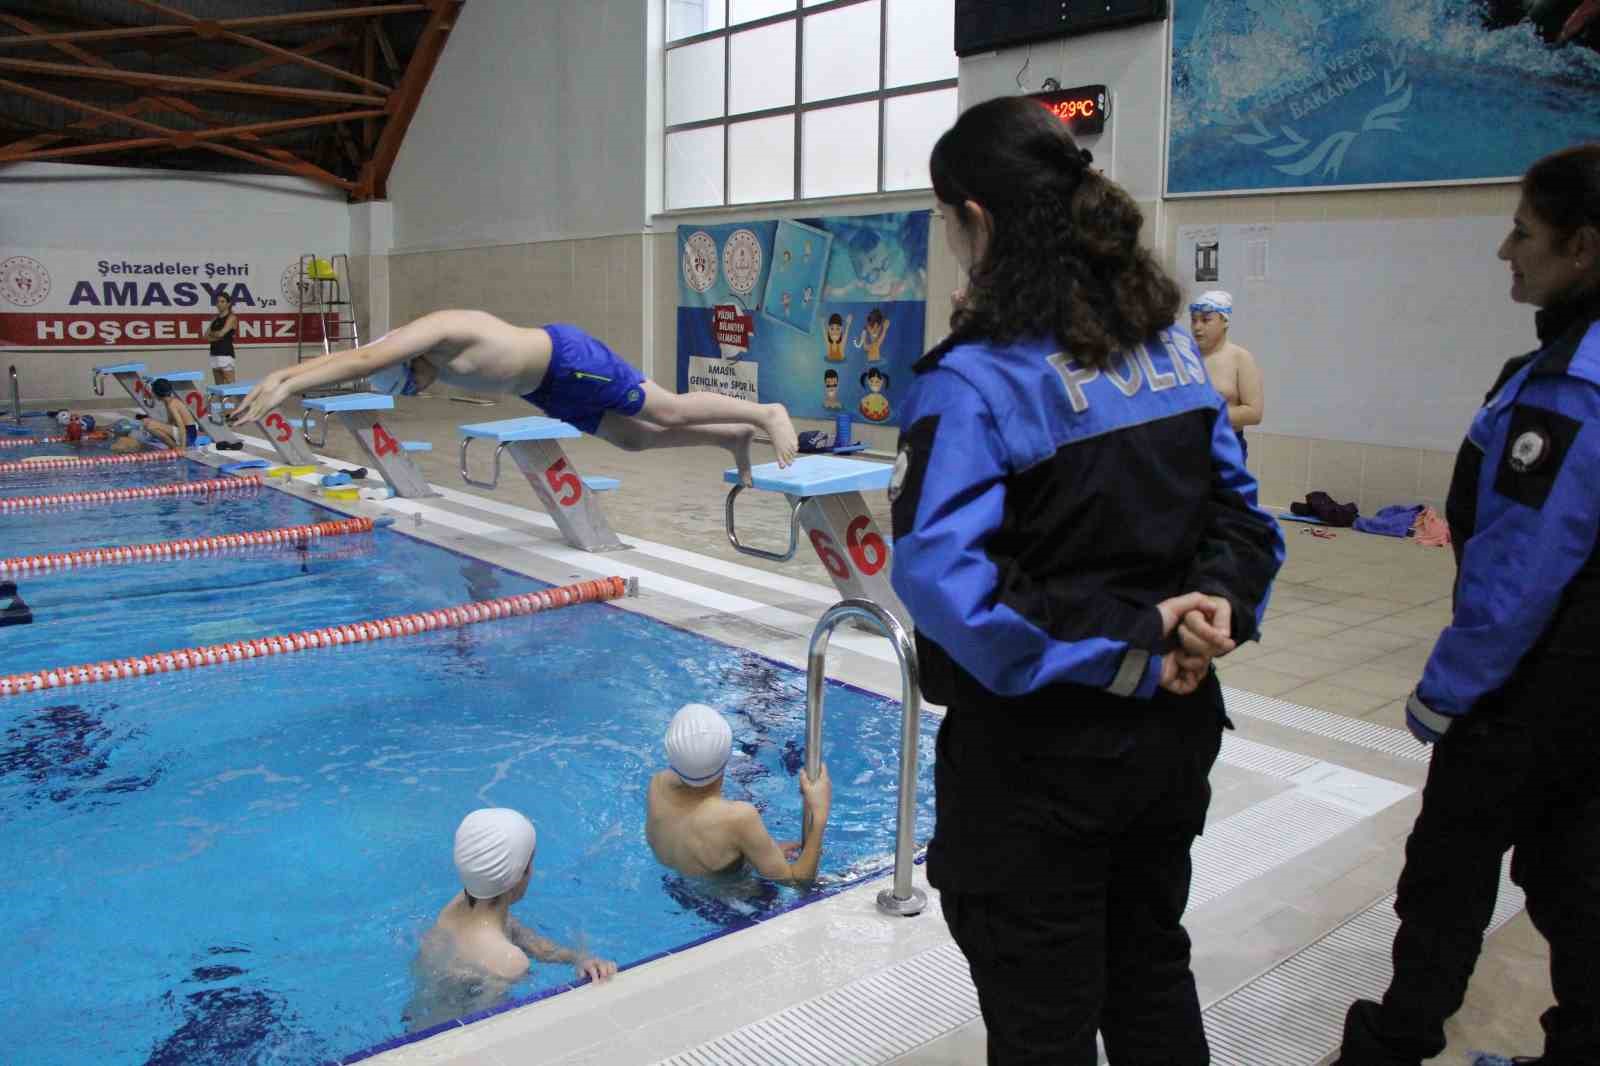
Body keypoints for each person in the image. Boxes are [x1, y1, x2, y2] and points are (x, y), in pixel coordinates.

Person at [891, 96, 1284, 1065]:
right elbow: (1244, 519)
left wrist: (1140, 645)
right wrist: (1206, 619)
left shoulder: (976, 383)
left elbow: (951, 589)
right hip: (1171, 746)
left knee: (1042, 1022)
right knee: (1149, 970)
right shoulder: (1167, 356)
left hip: (1040, 771)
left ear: (975, 220)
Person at [1333, 145, 1600, 1066]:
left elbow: (1519, 574)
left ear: (1584, 248)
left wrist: (1445, 692)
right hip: (1582, 696)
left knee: (1449, 876)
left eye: (1523, 232)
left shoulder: (1571, 387)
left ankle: (1394, 1045)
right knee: (1575, 879)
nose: (1504, 251)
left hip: (1531, 692)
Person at [226, 313, 798, 483]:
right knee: (632, 440)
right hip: (546, 389)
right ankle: (728, 435)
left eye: (409, 382)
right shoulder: (415, 358)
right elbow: (353, 365)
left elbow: (358, 359)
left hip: (571, 359)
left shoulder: (440, 332)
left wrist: (287, 378)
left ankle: (762, 413)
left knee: (664, 409)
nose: (419, 390)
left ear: (405, 364)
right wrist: (282, 381)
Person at [404, 808, 616, 1031]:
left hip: (416, 1021)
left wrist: (578, 958)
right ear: (519, 876)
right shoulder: (509, 961)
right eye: (531, 862)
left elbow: (520, 934)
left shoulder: (458, 907)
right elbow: (490, 1030)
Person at [645, 703, 833, 884]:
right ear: (727, 755)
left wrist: (761, 853)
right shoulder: (738, 817)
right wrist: (819, 815)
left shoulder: (658, 785)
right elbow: (797, 883)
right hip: (734, 905)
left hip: (679, 890)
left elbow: (700, 852)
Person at [1188, 290, 1264, 463]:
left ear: (1224, 321)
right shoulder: (1185, 358)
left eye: (1206, 320)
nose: (1197, 327)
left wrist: (1207, 417)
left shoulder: (1240, 358)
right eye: (1194, 320)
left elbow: (1254, 413)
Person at [140, 378, 203, 449]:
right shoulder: (168, 402)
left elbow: (181, 425)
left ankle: (175, 447)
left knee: (149, 425)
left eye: (152, 392)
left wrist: (182, 448)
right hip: (187, 434)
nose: (152, 394)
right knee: (147, 423)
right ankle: (174, 446)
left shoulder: (172, 404)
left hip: (188, 436)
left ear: (157, 393)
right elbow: (170, 423)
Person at [206, 292, 239, 385]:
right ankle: (222, 400)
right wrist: (215, 336)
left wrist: (213, 335)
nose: (219, 304)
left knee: (231, 387)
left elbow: (221, 333)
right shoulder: (215, 319)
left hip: (225, 354)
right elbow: (205, 336)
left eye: (222, 301)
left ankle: (234, 400)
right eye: (218, 302)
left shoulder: (232, 317)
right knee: (219, 388)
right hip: (214, 354)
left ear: (228, 304)